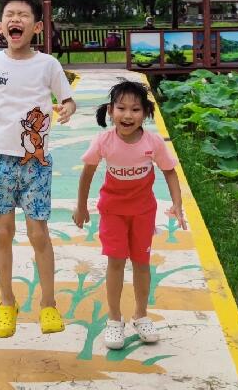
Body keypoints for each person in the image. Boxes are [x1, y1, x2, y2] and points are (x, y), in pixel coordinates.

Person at [0, 0, 77, 339]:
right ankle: (7, 302)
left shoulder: (48, 65)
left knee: (39, 233)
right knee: (3, 232)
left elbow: (67, 100)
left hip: (35, 161)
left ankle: (48, 304)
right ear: (0, 26)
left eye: (23, 15)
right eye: (10, 14)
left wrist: (67, 108)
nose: (15, 20)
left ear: (37, 26)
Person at [73, 80, 186, 350]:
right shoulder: (103, 141)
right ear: (110, 111)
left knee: (141, 263)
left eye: (135, 109)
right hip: (112, 211)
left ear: (146, 113)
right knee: (115, 262)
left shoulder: (153, 142)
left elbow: (169, 171)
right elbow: (87, 173)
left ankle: (141, 315)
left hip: (143, 212)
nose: (127, 115)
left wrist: (177, 204)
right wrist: (81, 207)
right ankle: (114, 320)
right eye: (121, 108)